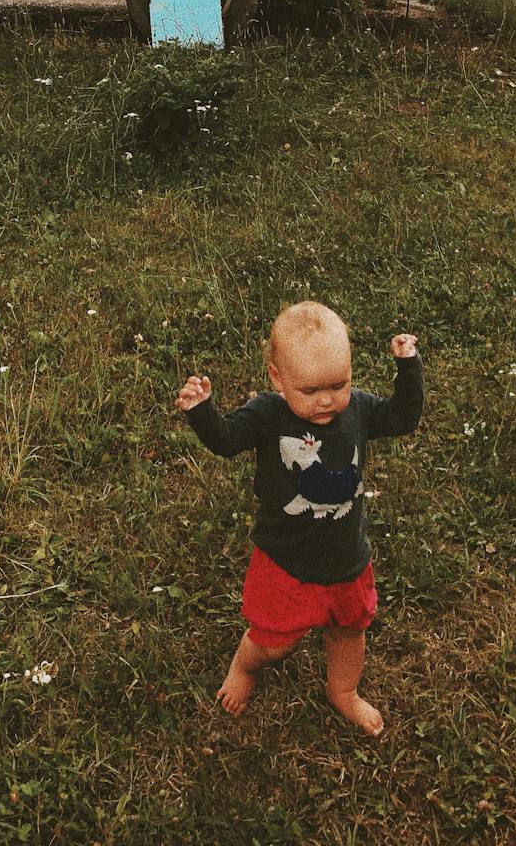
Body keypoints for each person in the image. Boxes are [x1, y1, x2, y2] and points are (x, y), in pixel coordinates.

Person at [175, 301, 423, 733]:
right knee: (274, 643)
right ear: (277, 376)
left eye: (339, 383)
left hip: (346, 558)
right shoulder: (268, 415)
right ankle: (246, 665)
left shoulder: (357, 409)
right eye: (309, 391)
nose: (327, 399)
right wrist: (202, 412)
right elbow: (228, 440)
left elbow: (403, 417)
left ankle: (343, 690)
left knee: (350, 630)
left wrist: (408, 368)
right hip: (286, 560)